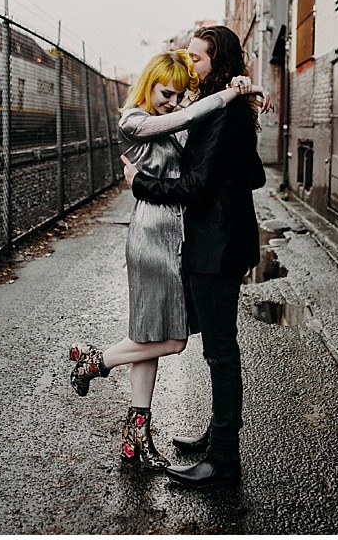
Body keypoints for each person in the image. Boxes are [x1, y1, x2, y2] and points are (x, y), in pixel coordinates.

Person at [69, 49, 261, 469]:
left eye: (178, 96)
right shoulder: (133, 120)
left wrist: (244, 101)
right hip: (154, 233)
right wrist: (229, 94)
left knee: (149, 336)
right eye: (165, 93)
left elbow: (204, 139)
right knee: (171, 339)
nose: (171, 103)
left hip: (178, 231)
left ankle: (136, 437)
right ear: (148, 83)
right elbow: (184, 121)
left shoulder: (178, 111)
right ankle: (95, 361)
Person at [120, 25, 264, 488]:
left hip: (214, 246)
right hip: (218, 240)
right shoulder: (225, 106)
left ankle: (223, 460)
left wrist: (141, 184)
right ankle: (215, 438)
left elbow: (197, 186)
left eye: (198, 58)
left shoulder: (225, 110)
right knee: (216, 349)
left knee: (221, 352)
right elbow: (255, 175)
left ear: (217, 61)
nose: (190, 65)